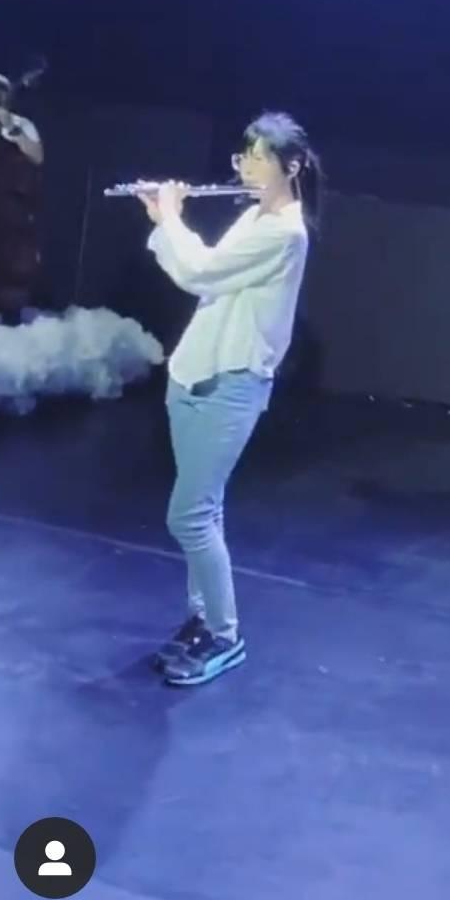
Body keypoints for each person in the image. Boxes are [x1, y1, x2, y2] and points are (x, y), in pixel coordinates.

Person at [140, 111, 320, 686]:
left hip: (233, 385)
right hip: (193, 375)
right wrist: (165, 222)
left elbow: (201, 273)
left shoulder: (286, 233)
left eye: (259, 158)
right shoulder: (252, 216)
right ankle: (202, 617)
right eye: (244, 157)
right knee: (207, 509)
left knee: (188, 515)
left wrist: (171, 218)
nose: (246, 168)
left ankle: (224, 634)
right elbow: (205, 271)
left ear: (291, 166)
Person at [0, 73, 44, 327]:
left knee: (12, 271)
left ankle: (9, 321)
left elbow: (37, 156)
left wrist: (10, 127)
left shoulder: (22, 124)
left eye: (2, 88)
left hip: (13, 209)